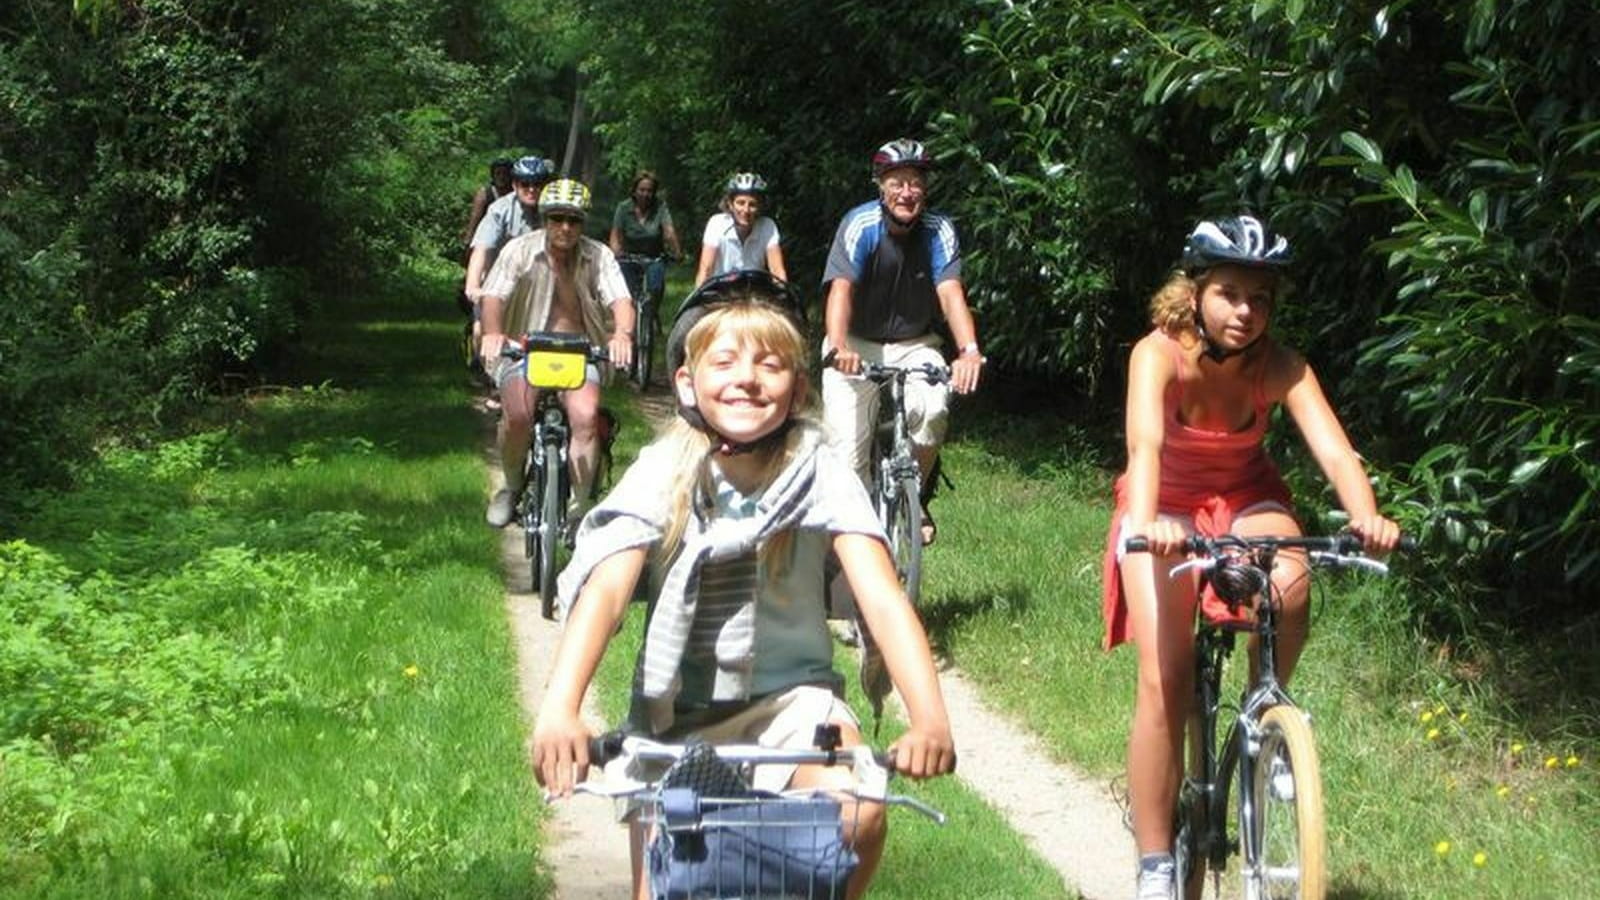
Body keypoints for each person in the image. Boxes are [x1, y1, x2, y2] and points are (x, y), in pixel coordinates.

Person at [531, 270, 956, 900]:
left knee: (861, 805)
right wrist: (560, 710)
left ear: (799, 387)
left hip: (796, 705)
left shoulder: (819, 469)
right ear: (687, 381)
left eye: (771, 363)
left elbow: (883, 597)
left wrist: (930, 718)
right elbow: (607, 590)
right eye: (723, 360)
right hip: (677, 718)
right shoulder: (667, 468)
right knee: (661, 884)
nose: (746, 378)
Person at [1104, 214, 1401, 899]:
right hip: (1165, 508)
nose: (1245, 311)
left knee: (1291, 581)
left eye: (1260, 298)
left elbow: (1333, 450)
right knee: (1165, 680)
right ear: (1196, 292)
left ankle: (1268, 715)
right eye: (1230, 293)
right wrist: (1148, 525)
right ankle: (1155, 862)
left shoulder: (1282, 365)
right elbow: (1144, 447)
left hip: (1245, 497)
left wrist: (1367, 517)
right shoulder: (1157, 353)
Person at [820, 139, 982, 545]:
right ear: (881, 186)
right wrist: (839, 346)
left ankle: (917, 495)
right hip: (856, 341)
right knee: (847, 455)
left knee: (932, 413)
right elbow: (841, 290)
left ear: (925, 189)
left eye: (915, 182)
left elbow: (950, 293)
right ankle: (857, 543)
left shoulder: (938, 229)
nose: (907, 192)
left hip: (915, 341)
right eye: (897, 183)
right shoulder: (860, 225)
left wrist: (969, 351)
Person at [479, 178, 635, 529]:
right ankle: (512, 488)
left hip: (580, 353)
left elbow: (620, 299)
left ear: (583, 223)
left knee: (586, 417)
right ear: (545, 218)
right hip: (525, 352)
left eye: (574, 220)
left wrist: (622, 335)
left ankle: (580, 509)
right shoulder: (519, 250)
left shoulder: (599, 255)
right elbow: (493, 296)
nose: (565, 227)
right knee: (517, 415)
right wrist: (493, 333)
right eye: (557, 218)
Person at [693, 172, 787, 286]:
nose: (746, 210)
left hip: (755, 291)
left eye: (752, 204)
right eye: (740, 203)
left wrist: (782, 294)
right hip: (720, 290)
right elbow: (706, 269)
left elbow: (777, 271)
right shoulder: (716, 224)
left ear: (760, 207)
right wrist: (699, 296)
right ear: (730, 204)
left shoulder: (768, 226)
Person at [608, 170, 684, 304]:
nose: (645, 194)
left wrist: (677, 252)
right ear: (634, 190)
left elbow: (669, 231)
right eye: (641, 190)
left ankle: (651, 317)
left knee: (655, 288)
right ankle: (630, 319)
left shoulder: (660, 207)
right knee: (626, 293)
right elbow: (616, 234)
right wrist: (615, 253)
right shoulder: (624, 208)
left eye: (649, 190)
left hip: (654, 257)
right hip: (629, 257)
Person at [458, 156, 514, 269]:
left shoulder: (515, 195)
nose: (502, 177)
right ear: (493, 175)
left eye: (505, 174)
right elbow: (475, 219)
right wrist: (468, 242)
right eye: (498, 173)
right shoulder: (485, 194)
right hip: (487, 239)